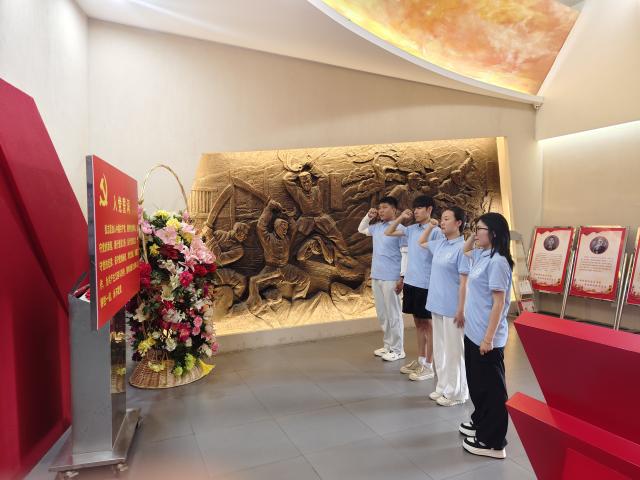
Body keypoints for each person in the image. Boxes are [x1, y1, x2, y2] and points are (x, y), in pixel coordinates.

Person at [459, 212, 513, 459]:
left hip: (486, 337)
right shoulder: (483, 255)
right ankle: (481, 422)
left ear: (493, 233)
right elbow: (465, 250)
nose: (475, 232)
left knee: (492, 391)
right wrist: (474, 235)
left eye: (479, 229)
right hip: (474, 332)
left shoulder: (498, 262)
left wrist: (488, 338)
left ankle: (493, 442)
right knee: (477, 385)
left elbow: (499, 303)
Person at [384, 195, 443, 381]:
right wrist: (401, 217)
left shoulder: (436, 231)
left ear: (429, 209)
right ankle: (420, 360)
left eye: (419, 208)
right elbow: (389, 232)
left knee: (428, 325)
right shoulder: (411, 229)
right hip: (411, 282)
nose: (416, 211)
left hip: (427, 283)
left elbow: (439, 257)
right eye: (414, 208)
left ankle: (429, 365)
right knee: (418, 323)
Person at [419, 206, 469, 406]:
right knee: (440, 350)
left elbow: (465, 283)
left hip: (453, 308)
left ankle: (457, 393)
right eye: (441, 218)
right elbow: (421, 242)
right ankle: (442, 387)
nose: (442, 221)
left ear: (458, 223)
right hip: (436, 304)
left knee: (454, 352)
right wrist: (430, 227)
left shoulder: (463, 248)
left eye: (447, 218)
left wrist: (461, 309)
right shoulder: (440, 243)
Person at [358, 196, 405, 362]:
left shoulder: (401, 229)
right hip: (376, 275)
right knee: (383, 314)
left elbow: (406, 254)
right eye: (379, 208)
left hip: (392, 277)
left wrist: (402, 277)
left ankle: (398, 349)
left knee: (394, 314)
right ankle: (388, 345)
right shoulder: (377, 227)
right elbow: (361, 229)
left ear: (394, 210)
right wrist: (368, 216)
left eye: (385, 207)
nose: (381, 210)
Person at [247, 200, 310, 312]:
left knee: (305, 279)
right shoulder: (267, 238)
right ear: (276, 227)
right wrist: (269, 208)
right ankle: (262, 305)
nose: (285, 230)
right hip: (270, 270)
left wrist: (287, 216)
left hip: (285, 269)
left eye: (286, 229)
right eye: (283, 228)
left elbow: (294, 228)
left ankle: (298, 302)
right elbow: (261, 226)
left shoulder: (287, 239)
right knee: (255, 288)